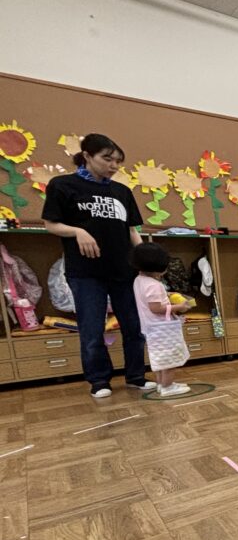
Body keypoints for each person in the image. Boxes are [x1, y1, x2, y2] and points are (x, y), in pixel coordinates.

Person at [42, 133, 155, 398]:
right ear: (87, 156)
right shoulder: (63, 185)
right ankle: (99, 381)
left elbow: (131, 230)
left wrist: (145, 261)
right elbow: (51, 224)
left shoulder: (121, 191)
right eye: (107, 159)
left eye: (118, 161)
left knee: (134, 327)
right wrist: (77, 232)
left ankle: (136, 376)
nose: (113, 166)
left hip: (123, 270)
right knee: (92, 329)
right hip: (86, 273)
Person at [131, 243, 192, 397]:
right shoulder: (154, 285)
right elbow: (156, 308)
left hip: (150, 327)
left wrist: (166, 296)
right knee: (170, 359)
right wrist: (179, 306)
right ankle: (168, 386)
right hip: (162, 328)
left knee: (159, 358)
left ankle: (161, 384)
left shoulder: (139, 280)